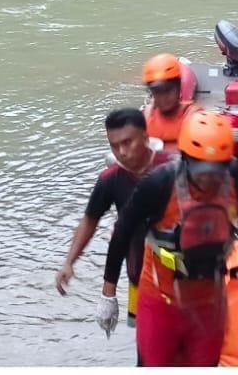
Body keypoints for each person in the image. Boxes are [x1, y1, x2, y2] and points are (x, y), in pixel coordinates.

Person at [99, 111, 238, 366]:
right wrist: (109, 293)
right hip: (161, 297)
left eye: (218, 170)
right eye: (202, 170)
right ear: (185, 160)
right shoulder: (158, 184)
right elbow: (123, 231)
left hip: (210, 298)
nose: (210, 178)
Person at [55, 108, 176, 329]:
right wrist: (69, 262)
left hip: (181, 275)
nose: (122, 152)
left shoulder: (173, 168)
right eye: (114, 146)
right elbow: (90, 219)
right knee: (148, 351)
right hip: (140, 276)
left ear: (146, 138)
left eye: (127, 142)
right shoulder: (110, 180)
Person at [142, 53, 198, 147]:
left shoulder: (193, 117)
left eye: (168, 90)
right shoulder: (146, 117)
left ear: (179, 87)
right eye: (158, 92)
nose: (164, 97)